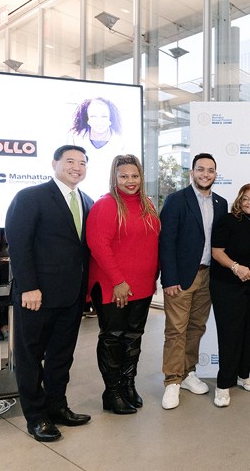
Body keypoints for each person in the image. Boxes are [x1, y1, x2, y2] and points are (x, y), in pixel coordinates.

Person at [5, 145, 94, 442]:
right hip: (36, 296)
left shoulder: (87, 201)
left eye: (82, 163)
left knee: (61, 357)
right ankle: (36, 416)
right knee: (31, 358)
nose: (76, 167)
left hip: (72, 296)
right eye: (70, 161)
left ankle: (57, 407)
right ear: (54, 163)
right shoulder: (30, 197)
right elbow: (19, 245)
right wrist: (29, 286)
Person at [86, 155, 160, 415]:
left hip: (142, 286)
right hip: (113, 286)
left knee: (133, 338)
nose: (131, 181)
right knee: (113, 338)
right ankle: (112, 392)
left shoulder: (148, 205)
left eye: (135, 175)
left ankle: (128, 385)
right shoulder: (105, 206)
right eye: (124, 176)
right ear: (114, 178)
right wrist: (118, 280)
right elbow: (98, 245)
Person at [159, 153, 228, 409]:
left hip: (209, 276)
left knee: (196, 328)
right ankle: (172, 381)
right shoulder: (177, 200)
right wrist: (169, 278)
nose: (205, 174)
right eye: (201, 169)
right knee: (176, 329)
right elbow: (166, 242)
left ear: (215, 174)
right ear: (192, 172)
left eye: (210, 170)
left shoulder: (221, 203)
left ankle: (187, 373)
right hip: (181, 277)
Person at [209, 184, 250, 407]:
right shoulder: (228, 220)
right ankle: (223, 385)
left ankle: (243, 374)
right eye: (245, 198)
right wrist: (236, 267)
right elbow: (216, 251)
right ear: (239, 199)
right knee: (230, 333)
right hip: (228, 285)